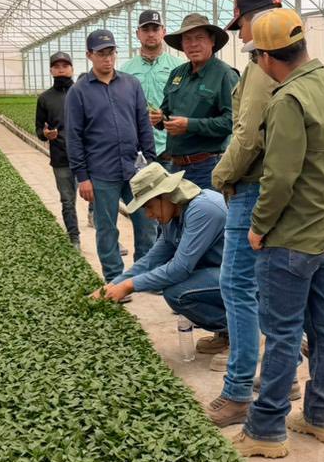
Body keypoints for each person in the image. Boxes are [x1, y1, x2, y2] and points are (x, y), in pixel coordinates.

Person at [231, 8, 324, 459]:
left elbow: (280, 178)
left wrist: (258, 227)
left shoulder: (288, 100)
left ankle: (265, 430)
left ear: (267, 57)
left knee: (283, 332)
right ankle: (323, 417)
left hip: (293, 237)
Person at [207, 0, 286, 425]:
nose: (240, 36)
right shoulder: (293, 62)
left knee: (236, 287)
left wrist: (221, 174)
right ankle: (286, 376)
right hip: (279, 187)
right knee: (273, 292)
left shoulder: (260, 68)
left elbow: (248, 136)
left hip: (251, 187)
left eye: (242, 26)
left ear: (258, 17)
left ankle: (237, 392)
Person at [90, 162, 227, 336]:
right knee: (176, 287)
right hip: (220, 271)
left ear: (165, 195)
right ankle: (229, 331)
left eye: (149, 206)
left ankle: (239, 332)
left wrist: (129, 286)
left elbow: (179, 269)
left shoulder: (203, 210)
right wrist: (111, 286)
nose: (148, 215)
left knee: (178, 292)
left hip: (248, 278)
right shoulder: (173, 218)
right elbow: (150, 261)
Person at [65, 28, 157, 283]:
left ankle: (143, 275)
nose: (107, 58)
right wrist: (82, 177)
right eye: (101, 53)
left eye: (111, 52)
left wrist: (150, 163)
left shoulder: (131, 84)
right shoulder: (79, 92)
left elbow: (143, 125)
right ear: (89, 55)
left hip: (134, 169)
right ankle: (114, 278)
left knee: (147, 223)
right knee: (106, 228)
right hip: (101, 173)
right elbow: (74, 137)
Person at [153, 12, 238, 194]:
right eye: (187, 39)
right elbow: (166, 113)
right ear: (182, 45)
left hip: (207, 167)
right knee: (178, 221)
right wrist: (159, 118)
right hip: (175, 168)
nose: (193, 44)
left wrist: (190, 125)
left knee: (205, 218)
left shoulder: (224, 75)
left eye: (199, 38)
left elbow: (232, 121)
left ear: (212, 40)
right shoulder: (177, 74)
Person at [120, 8, 182, 160]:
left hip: (170, 148)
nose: (151, 34)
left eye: (155, 29)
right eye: (145, 29)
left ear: (164, 32)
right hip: (137, 149)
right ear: (137, 34)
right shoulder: (125, 70)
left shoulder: (179, 67)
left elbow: (186, 104)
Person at [34, 50, 80, 248]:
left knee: (100, 197)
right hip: (61, 157)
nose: (61, 69)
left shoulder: (82, 92)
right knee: (67, 200)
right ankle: (74, 237)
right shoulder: (45, 98)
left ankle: (104, 233)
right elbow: (38, 129)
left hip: (86, 156)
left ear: (71, 68)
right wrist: (46, 135)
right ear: (51, 70)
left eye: (65, 66)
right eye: (57, 66)